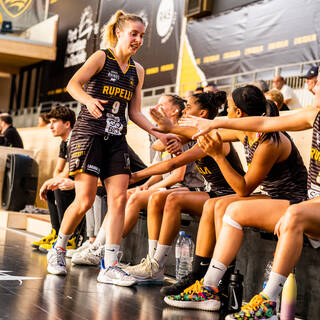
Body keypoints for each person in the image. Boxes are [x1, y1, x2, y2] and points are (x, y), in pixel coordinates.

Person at [46, 10, 173, 286]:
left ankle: (110, 265)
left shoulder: (138, 71)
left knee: (119, 199)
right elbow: (73, 84)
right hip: (89, 135)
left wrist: (159, 134)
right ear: (119, 32)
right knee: (86, 200)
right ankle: (58, 250)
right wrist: (88, 100)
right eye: (134, 34)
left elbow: (136, 112)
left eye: (142, 35)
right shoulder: (102, 57)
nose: (138, 39)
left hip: (116, 139)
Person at [175, 85, 320, 318]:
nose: (314, 87)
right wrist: (171, 128)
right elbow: (261, 123)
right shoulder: (313, 115)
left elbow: (243, 188)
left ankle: (268, 302)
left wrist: (218, 154)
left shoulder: (271, 143)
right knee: (230, 210)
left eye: (319, 83)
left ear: (239, 112)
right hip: (304, 202)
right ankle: (209, 287)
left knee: (291, 215)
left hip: (295, 202)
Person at [126, 91, 244, 285]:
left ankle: (157, 264)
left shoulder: (211, 137)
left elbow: (172, 165)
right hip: (212, 192)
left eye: (189, 107)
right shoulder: (194, 134)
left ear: (203, 113)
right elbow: (158, 146)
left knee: (173, 199)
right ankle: (154, 262)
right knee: (159, 198)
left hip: (227, 194)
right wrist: (171, 137)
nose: (184, 110)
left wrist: (136, 176)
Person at [71, 93, 200, 266]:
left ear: (175, 110)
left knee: (134, 197)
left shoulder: (179, 135)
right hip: (166, 186)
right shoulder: (163, 134)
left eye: (163, 105)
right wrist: (146, 184)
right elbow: (158, 168)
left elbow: (177, 175)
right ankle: (97, 245)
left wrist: (147, 187)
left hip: (184, 187)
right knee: (121, 195)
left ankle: (105, 248)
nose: (157, 108)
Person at [33, 106, 84, 252]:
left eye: (54, 122)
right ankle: (56, 233)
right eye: (50, 122)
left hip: (83, 184)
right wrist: (51, 183)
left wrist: (51, 182)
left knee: (60, 187)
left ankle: (69, 237)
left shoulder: (76, 138)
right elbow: (58, 169)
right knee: (52, 188)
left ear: (67, 124)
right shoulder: (64, 142)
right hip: (74, 182)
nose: (50, 126)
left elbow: (69, 171)